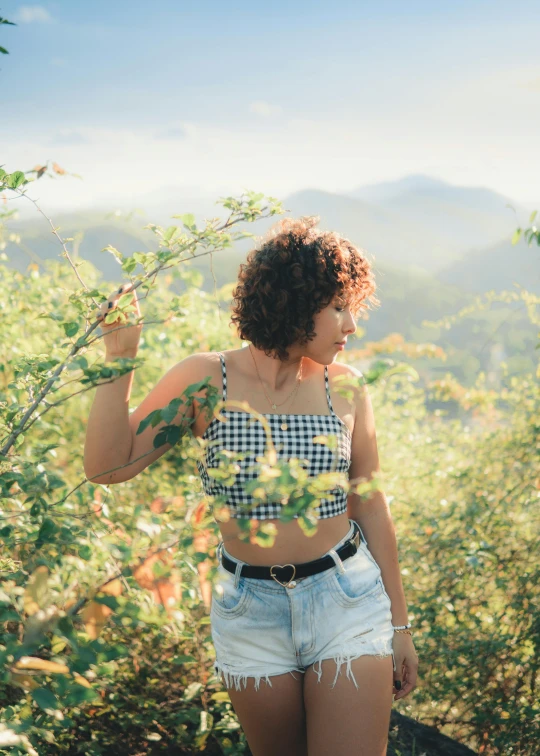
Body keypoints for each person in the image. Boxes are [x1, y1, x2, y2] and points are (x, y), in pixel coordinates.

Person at [84, 215, 419, 756]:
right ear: (293, 301)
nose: (351, 325)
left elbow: (370, 507)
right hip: (249, 611)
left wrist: (400, 626)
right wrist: (119, 359)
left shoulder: (347, 389)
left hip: (347, 600)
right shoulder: (205, 378)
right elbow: (108, 467)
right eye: (338, 306)